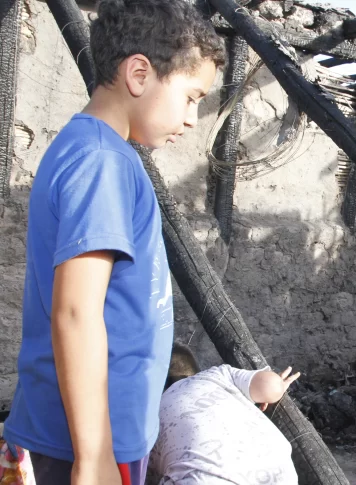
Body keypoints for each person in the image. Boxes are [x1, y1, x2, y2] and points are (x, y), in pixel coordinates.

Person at [2, 1, 226, 484]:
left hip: (94, 430)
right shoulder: (101, 162)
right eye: (191, 97)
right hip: (86, 440)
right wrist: (95, 452)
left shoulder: (97, 152)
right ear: (139, 74)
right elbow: (76, 312)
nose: (192, 118)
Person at [149, 344, 301, 484]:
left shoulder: (150, 421)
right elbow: (268, 385)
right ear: (195, 371)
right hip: (276, 468)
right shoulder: (217, 375)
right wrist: (278, 385)